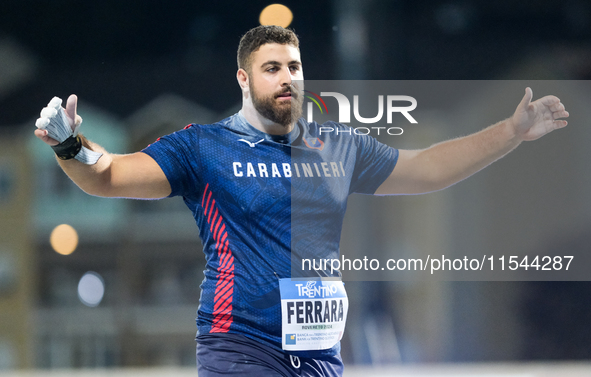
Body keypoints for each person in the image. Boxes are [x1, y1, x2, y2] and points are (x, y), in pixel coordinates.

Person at [34, 25, 569, 376]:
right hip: (241, 350)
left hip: (319, 358)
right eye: (272, 68)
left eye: (293, 66)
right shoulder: (203, 147)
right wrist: (69, 145)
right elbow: (108, 176)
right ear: (244, 79)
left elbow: (427, 169)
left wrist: (511, 132)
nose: (287, 78)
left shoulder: (337, 146)